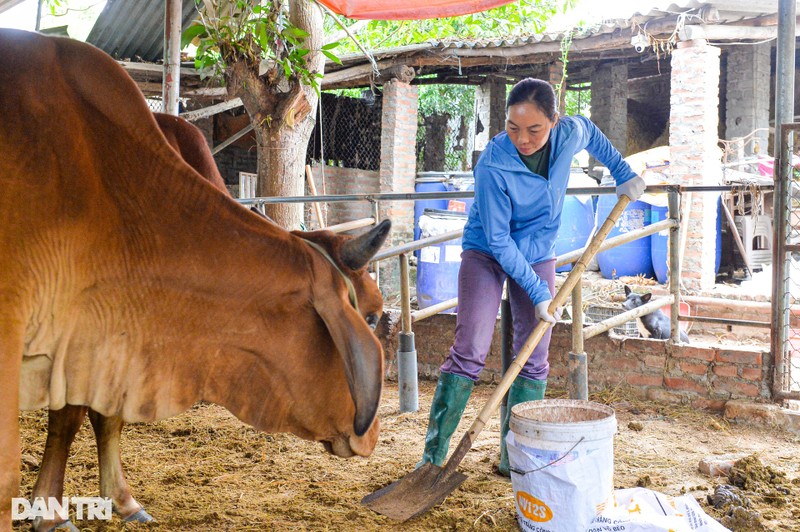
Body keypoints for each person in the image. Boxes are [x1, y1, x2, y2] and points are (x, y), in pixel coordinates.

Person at [418, 78, 646, 476]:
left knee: (534, 356)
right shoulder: (493, 164)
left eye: (534, 129)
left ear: (554, 121)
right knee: (470, 347)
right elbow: (500, 240)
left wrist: (622, 172)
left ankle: (514, 458)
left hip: (538, 251)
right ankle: (433, 459)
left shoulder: (569, 133)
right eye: (512, 127)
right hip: (487, 253)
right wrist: (539, 291)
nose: (522, 138)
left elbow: (591, 132)